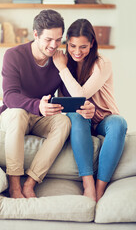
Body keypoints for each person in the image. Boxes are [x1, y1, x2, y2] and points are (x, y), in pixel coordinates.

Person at [0, 11, 95, 199]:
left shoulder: (59, 60)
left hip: (42, 118)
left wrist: (85, 107)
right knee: (17, 114)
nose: (53, 45)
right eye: (48, 39)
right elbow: (10, 96)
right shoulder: (14, 55)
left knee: (64, 122)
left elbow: (67, 98)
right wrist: (37, 106)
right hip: (14, 115)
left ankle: (31, 183)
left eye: (58, 40)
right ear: (35, 34)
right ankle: (15, 185)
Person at [53, 18, 127, 202]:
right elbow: (66, 102)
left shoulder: (102, 63)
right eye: (72, 45)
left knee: (119, 123)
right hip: (80, 119)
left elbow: (80, 94)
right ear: (67, 42)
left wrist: (62, 68)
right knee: (76, 117)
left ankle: (99, 188)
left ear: (92, 44)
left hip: (103, 118)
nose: (77, 52)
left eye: (83, 47)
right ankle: (88, 185)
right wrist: (63, 66)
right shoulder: (64, 62)